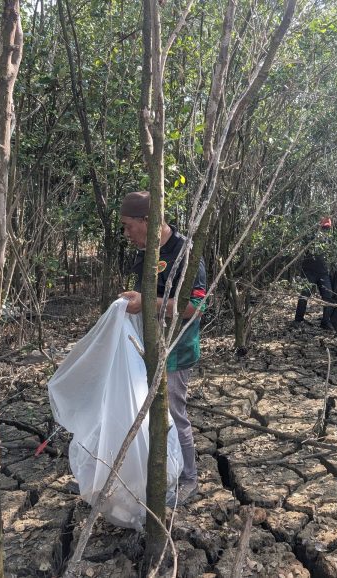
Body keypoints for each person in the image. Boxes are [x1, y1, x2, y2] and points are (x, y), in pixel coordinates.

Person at [119, 191, 206, 505]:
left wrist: (147, 302)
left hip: (177, 349)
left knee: (173, 414)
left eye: (130, 226)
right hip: (147, 347)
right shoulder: (143, 252)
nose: (127, 234)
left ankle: (189, 480)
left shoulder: (185, 252)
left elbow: (195, 307)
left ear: (148, 221)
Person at [294, 216, 336, 330]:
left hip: (323, 273)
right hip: (309, 271)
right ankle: (298, 320)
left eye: (327, 228)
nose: (325, 231)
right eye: (323, 228)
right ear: (318, 227)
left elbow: (332, 256)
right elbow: (302, 248)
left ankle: (325, 322)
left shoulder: (330, 239)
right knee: (304, 296)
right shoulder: (310, 237)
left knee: (328, 297)